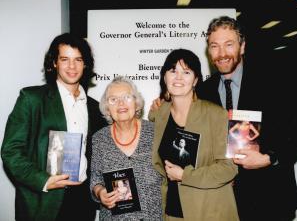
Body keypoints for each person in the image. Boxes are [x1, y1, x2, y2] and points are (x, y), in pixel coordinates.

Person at [196, 16, 297, 221]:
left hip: (270, 200)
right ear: (209, 51)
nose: (222, 54)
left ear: (242, 47)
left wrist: (269, 158)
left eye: (229, 44)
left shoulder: (275, 80)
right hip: (222, 202)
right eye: (215, 46)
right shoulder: (204, 91)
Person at [1, 33, 107, 221]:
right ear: (54, 63)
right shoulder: (31, 99)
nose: (72, 67)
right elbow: (11, 151)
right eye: (65, 59)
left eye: (78, 60)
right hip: (44, 201)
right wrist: (44, 180)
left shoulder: (94, 107)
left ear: (86, 64)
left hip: (83, 200)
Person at [149, 49, 239, 221]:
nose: (178, 77)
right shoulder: (159, 114)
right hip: (171, 213)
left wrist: (185, 175)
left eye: (186, 72)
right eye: (173, 70)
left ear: (196, 80)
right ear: (164, 77)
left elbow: (229, 169)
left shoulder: (216, 115)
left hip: (209, 211)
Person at [90, 76, 163, 221]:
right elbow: (95, 179)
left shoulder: (156, 132)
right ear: (107, 109)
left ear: (136, 104)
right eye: (113, 99)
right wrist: (100, 193)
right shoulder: (99, 138)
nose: (121, 103)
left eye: (127, 97)